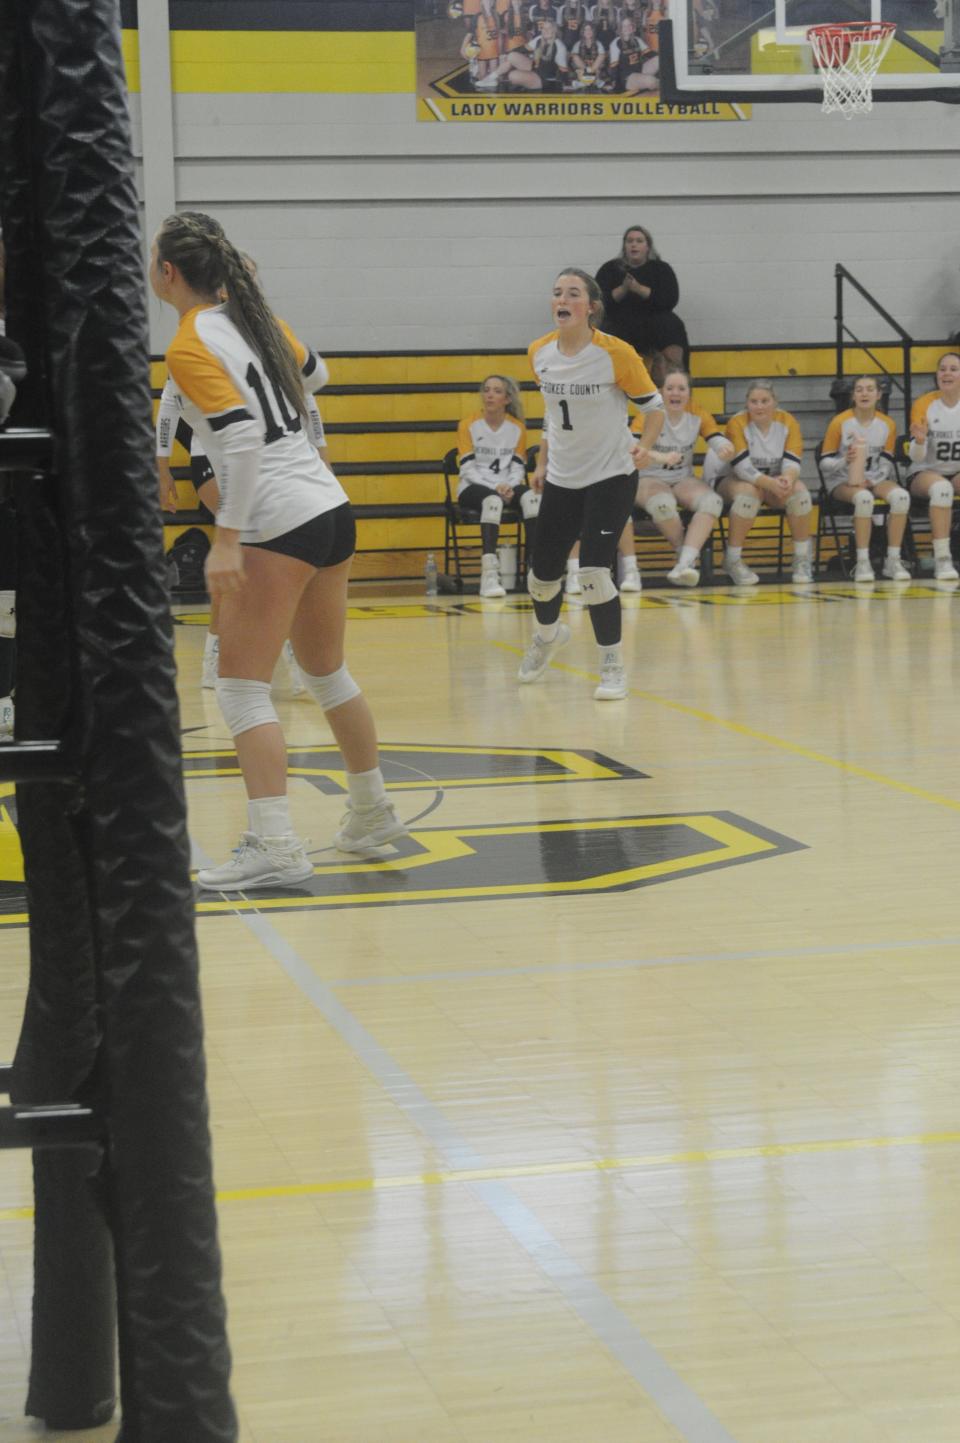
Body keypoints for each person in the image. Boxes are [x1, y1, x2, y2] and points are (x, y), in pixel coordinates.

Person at [150, 210, 408, 889]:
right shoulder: (255, 320)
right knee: (326, 674)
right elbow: (315, 374)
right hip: (329, 505)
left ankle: (276, 844)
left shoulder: (188, 342)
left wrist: (226, 538)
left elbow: (236, 441)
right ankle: (370, 810)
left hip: (276, 520)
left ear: (168, 272)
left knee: (239, 690)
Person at [519, 267, 664, 700]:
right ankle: (547, 637)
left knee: (595, 572)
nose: (562, 299)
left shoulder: (616, 354)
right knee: (541, 578)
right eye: (557, 291)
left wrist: (644, 445)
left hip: (611, 475)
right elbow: (552, 412)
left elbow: (653, 408)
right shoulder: (538, 352)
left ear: (591, 306)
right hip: (563, 478)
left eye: (573, 293)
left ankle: (612, 664)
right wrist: (543, 461)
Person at [631, 367, 732, 587]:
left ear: (689, 393)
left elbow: (714, 437)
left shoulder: (697, 413)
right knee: (662, 504)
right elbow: (634, 451)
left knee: (712, 502)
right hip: (649, 477)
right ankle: (683, 555)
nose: (675, 393)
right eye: (670, 388)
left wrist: (724, 447)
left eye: (681, 388)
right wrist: (661, 457)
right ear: (661, 392)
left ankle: (684, 564)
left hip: (682, 478)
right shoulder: (648, 415)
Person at [714, 379, 815, 586]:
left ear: (775, 402)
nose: (759, 406)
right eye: (754, 401)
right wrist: (771, 484)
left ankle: (802, 558)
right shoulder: (737, 423)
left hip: (773, 481)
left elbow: (793, 461)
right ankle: (732, 560)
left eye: (764, 401)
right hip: (732, 479)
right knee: (748, 496)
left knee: (800, 494)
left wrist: (787, 478)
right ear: (747, 403)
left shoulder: (788, 422)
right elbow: (742, 468)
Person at [819, 376, 911, 583]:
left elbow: (886, 463)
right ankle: (862, 562)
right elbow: (824, 464)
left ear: (879, 395)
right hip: (841, 480)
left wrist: (872, 480)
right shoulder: (840, 422)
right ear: (853, 396)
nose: (864, 393)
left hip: (874, 478)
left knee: (901, 497)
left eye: (870, 389)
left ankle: (893, 560)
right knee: (863, 499)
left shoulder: (887, 424)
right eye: (859, 390)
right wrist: (845, 460)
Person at [456, 375, 539, 597]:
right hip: (473, 486)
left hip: (506, 485)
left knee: (533, 498)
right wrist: (496, 488)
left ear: (507, 399)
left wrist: (508, 485)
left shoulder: (517, 428)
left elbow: (518, 467)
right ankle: (489, 574)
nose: (490, 395)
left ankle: (535, 569)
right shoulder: (468, 425)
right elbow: (467, 469)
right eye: (487, 390)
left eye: (496, 391)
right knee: (492, 501)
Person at [595, 226, 688, 385]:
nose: (634, 245)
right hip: (620, 321)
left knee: (672, 325)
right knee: (605, 330)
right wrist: (623, 289)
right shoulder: (609, 269)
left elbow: (670, 300)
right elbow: (599, 302)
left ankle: (673, 376)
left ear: (648, 246)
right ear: (624, 246)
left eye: (639, 241)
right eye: (630, 241)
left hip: (655, 319)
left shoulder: (661, 269)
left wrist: (639, 289)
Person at [907, 351, 960, 582]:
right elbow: (916, 457)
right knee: (941, 489)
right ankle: (942, 559)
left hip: (956, 472)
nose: (946, 373)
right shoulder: (925, 403)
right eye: (942, 369)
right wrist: (919, 441)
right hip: (925, 472)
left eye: (953, 369)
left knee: (948, 486)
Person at [477, 14, 568, 86]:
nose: (546, 30)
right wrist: (505, 54)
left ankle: (528, 84)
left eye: (549, 28)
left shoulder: (560, 46)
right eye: (544, 28)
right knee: (511, 56)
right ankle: (490, 79)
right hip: (534, 69)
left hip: (544, 79)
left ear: (555, 30)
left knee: (513, 76)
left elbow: (564, 71)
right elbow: (523, 49)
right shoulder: (540, 38)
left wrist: (563, 87)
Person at [605, 16, 658, 96]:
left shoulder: (637, 40)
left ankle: (647, 84)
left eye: (629, 25)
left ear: (633, 27)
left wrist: (665, 56)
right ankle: (657, 85)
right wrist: (615, 83)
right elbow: (614, 66)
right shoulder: (616, 43)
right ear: (620, 29)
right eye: (624, 26)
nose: (627, 28)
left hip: (639, 70)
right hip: (627, 77)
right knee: (652, 81)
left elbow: (650, 54)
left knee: (659, 59)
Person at [568, 19, 606, 86]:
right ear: (583, 32)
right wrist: (585, 70)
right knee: (575, 57)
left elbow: (602, 57)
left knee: (601, 56)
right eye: (586, 30)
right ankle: (590, 81)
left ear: (593, 31)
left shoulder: (598, 43)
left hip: (594, 69)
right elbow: (573, 58)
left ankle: (586, 82)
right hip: (583, 69)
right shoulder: (578, 44)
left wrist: (592, 69)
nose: (588, 31)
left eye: (590, 29)